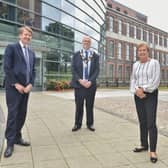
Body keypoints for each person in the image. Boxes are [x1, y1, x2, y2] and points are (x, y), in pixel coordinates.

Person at [3, 26, 36, 157]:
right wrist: (16, 84)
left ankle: (17, 137)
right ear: (20, 35)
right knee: (13, 115)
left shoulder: (32, 53)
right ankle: (9, 143)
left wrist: (31, 84)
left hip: (26, 89)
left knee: (22, 114)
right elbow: (7, 68)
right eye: (25, 34)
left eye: (29, 35)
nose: (27, 37)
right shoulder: (11, 48)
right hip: (14, 88)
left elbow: (33, 71)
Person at [130, 43, 160, 163]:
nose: (141, 52)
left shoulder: (154, 63)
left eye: (144, 50)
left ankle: (153, 151)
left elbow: (156, 80)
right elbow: (133, 80)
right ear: (137, 53)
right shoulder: (135, 65)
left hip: (150, 95)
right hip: (138, 95)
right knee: (142, 121)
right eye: (139, 51)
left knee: (150, 122)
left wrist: (143, 89)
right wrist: (136, 90)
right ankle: (143, 144)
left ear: (148, 52)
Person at [70, 36, 99, 132]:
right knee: (79, 105)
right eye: (85, 41)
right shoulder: (76, 55)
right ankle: (77, 124)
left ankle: (90, 124)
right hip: (79, 85)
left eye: (88, 41)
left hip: (90, 86)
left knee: (90, 105)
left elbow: (97, 70)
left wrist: (90, 81)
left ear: (90, 43)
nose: (86, 42)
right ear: (82, 43)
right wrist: (80, 80)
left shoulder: (95, 55)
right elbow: (73, 69)